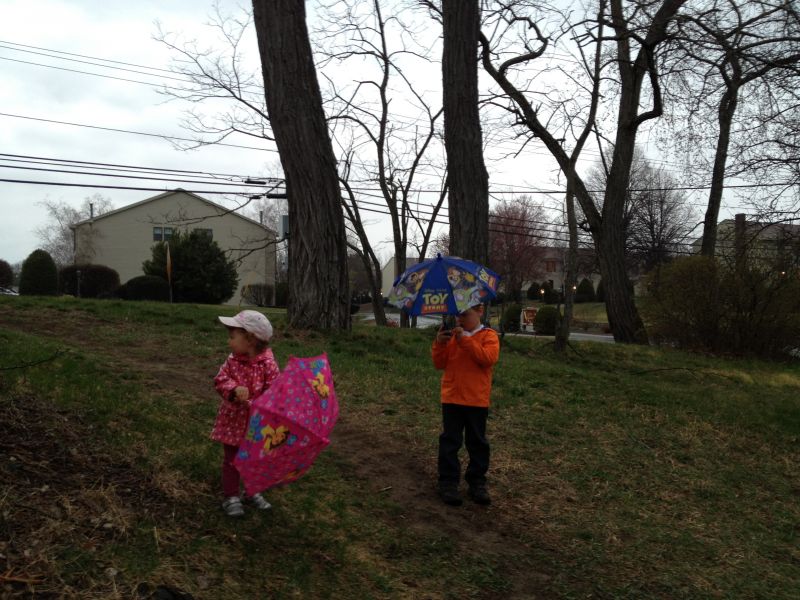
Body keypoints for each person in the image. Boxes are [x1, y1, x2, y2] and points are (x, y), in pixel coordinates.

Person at [212, 310, 280, 517]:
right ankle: (231, 496)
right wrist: (233, 389)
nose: (229, 341)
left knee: (255, 459)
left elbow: (275, 391)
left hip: (257, 423)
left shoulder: (268, 364)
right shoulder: (232, 361)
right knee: (232, 459)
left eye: (233, 336)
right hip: (234, 420)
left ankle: (252, 491)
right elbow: (220, 379)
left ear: (250, 339)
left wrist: (262, 404)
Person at [432, 303, 500, 506]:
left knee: (477, 442)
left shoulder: (489, 336)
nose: (460, 319)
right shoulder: (453, 337)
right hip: (452, 398)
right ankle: (448, 482)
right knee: (450, 442)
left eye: (464, 314)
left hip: (476, 400)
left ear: (480, 311)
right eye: (457, 315)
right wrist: (439, 344)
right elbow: (439, 363)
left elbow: (487, 359)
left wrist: (465, 340)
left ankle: (477, 482)